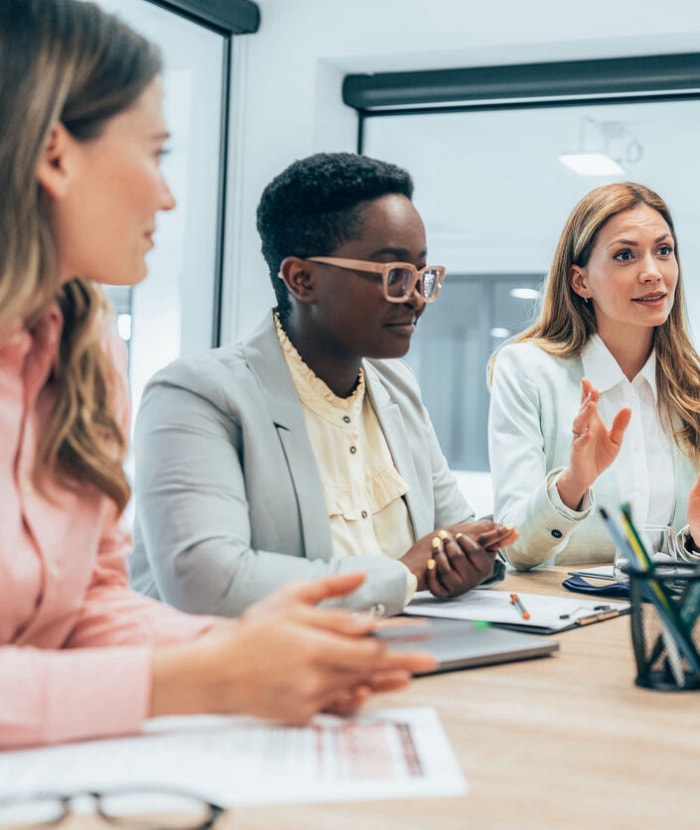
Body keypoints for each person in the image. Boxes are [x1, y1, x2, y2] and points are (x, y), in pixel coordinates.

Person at [0, 0, 437, 750]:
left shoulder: (81, 345)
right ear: (56, 155)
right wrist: (204, 674)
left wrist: (235, 651)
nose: (167, 194)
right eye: (157, 153)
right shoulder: (198, 387)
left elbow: (90, 606)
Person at [129, 152, 517, 617]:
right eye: (394, 275)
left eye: (421, 274)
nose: (416, 298)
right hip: (250, 674)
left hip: (395, 657)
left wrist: (470, 559)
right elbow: (207, 581)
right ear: (302, 279)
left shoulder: (394, 384)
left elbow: (455, 528)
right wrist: (407, 574)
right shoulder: (196, 395)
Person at [488, 181, 700, 570]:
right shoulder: (526, 370)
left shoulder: (693, 387)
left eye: (663, 250)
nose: (653, 272)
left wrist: (696, 541)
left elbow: (680, 555)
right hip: (569, 620)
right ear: (580, 280)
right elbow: (514, 547)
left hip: (669, 621)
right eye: (625, 255)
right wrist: (572, 484)